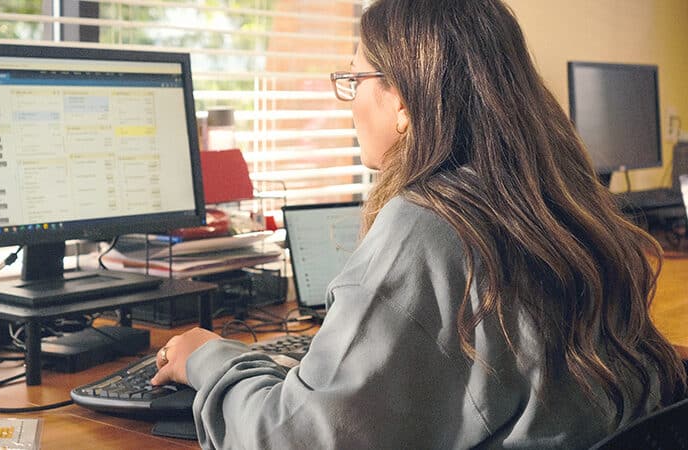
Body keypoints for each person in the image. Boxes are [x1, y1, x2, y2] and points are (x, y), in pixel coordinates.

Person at [151, 0, 687, 448]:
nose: (349, 102)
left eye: (354, 78)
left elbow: (290, 437)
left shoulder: (428, 224)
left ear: (403, 99)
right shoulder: (552, 205)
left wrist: (208, 359)